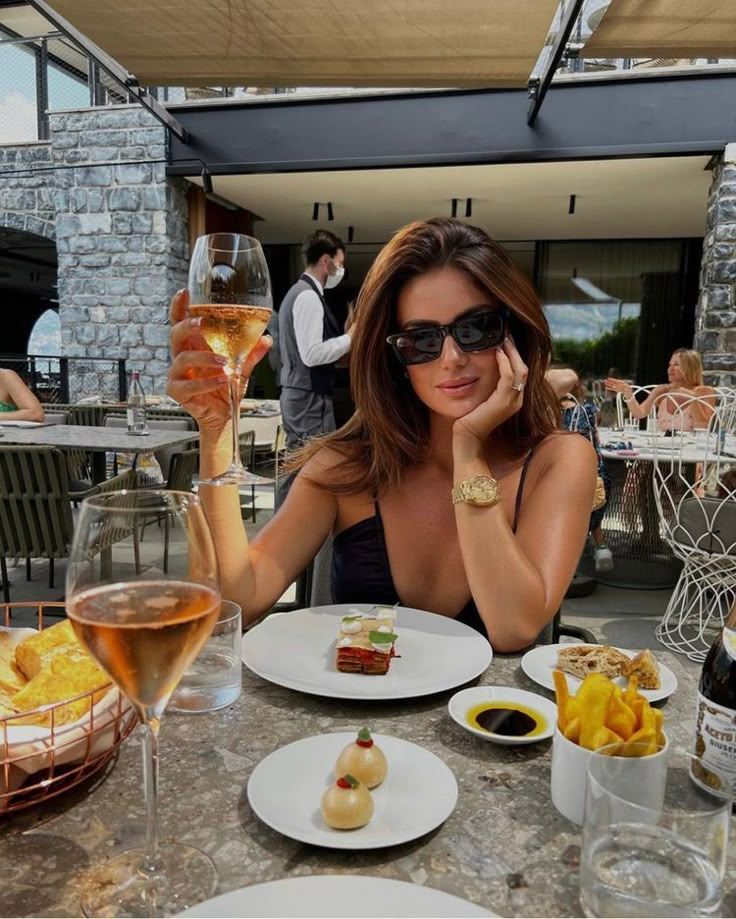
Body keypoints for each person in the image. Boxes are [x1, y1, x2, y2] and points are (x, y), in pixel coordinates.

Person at [167, 218, 596, 653]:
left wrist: (468, 452)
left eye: (476, 328)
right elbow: (237, 600)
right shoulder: (348, 463)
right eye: (421, 339)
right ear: (396, 360)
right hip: (350, 720)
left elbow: (513, 626)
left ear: (514, 332)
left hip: (491, 720)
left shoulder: (559, 460)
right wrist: (216, 431)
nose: (451, 358)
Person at [277, 230, 353, 450]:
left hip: (300, 395)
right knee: (308, 466)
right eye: (340, 264)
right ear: (325, 261)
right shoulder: (308, 296)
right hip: (308, 399)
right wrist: (350, 337)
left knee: (300, 464)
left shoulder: (298, 293)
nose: (341, 270)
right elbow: (311, 355)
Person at [560, 382, 614, 573]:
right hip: (593, 471)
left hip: (563, 475)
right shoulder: (588, 409)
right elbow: (595, 436)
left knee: (569, 515)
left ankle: (569, 560)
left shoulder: (550, 413)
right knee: (591, 506)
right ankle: (601, 547)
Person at [606, 350, 715, 432]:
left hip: (689, 457)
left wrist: (692, 398)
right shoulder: (662, 390)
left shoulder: (705, 392)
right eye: (669, 365)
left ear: (690, 368)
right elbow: (639, 413)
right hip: (661, 455)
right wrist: (628, 392)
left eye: (676, 365)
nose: (670, 369)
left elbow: (703, 429)